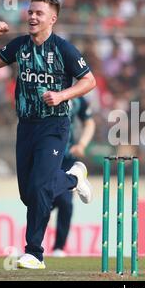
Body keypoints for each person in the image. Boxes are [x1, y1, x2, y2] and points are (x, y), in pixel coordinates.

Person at [0, 0, 96, 269]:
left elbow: (88, 81)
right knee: (29, 194)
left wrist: (62, 95)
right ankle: (73, 178)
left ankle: (34, 253)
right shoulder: (20, 45)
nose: (32, 17)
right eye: (30, 12)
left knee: (42, 186)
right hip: (27, 126)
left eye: (39, 13)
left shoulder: (64, 49)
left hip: (54, 126)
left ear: (52, 19)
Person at [52, 97, 96, 257]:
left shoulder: (77, 100)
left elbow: (89, 122)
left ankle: (59, 247)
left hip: (67, 157)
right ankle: (33, 248)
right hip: (45, 154)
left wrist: (82, 144)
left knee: (65, 202)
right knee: (41, 201)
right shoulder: (45, 90)